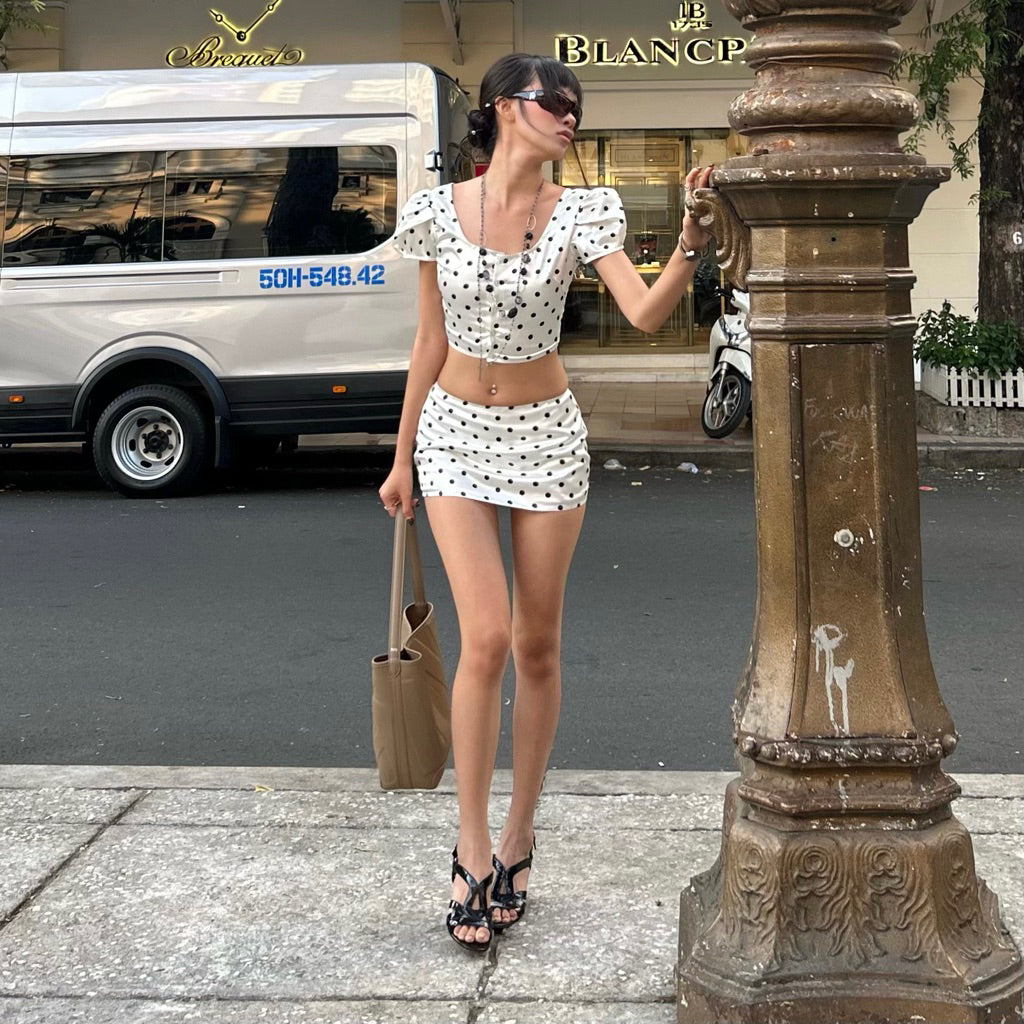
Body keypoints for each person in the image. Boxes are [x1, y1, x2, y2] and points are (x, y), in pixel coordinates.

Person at [378, 52, 713, 953]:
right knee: (484, 638)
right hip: (453, 434)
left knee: (536, 643)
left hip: (546, 437)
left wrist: (690, 239)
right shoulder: (436, 211)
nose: (567, 116)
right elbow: (428, 339)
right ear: (500, 108)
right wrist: (402, 456)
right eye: (551, 102)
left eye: (575, 106)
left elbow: (645, 313)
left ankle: (519, 835)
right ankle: (471, 847)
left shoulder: (584, 210)